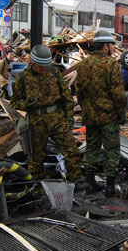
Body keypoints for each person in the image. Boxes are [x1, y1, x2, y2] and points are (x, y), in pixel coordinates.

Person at [10, 45, 82, 183]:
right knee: (35, 158)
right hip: (36, 123)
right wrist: (26, 104)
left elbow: (67, 97)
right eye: (40, 66)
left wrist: (69, 117)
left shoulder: (54, 73)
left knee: (71, 151)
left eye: (45, 65)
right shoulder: (23, 78)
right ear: (32, 62)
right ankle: (36, 188)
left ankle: (75, 182)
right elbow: (14, 102)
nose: (43, 69)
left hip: (56, 119)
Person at [75, 30, 127, 197]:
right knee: (112, 149)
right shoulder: (111, 65)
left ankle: (90, 183)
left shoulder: (83, 65)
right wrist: (121, 112)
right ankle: (110, 187)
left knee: (91, 148)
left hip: (90, 116)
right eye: (111, 45)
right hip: (109, 116)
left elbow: (79, 92)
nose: (113, 48)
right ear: (105, 47)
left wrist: (86, 108)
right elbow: (117, 93)